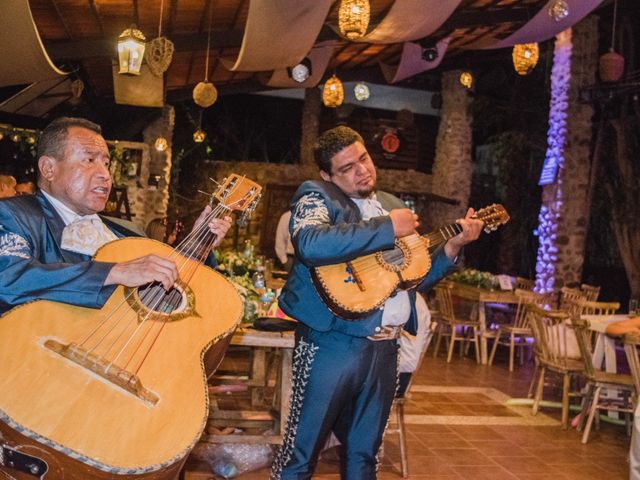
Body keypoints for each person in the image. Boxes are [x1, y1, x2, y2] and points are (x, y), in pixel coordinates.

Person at [270, 126, 483, 479]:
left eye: (364, 158)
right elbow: (309, 243)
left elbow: (410, 277)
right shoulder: (317, 196)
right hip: (331, 345)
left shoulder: (390, 205)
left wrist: (452, 248)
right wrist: (387, 227)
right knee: (300, 453)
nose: (362, 170)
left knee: (364, 456)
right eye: (348, 167)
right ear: (327, 175)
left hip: (386, 350)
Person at [0, 116, 231, 315]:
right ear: (48, 168)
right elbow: (9, 280)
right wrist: (113, 271)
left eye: (106, 163)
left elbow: (169, 292)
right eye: (89, 160)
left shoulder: (128, 232)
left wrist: (199, 245)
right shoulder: (13, 215)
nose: (105, 174)